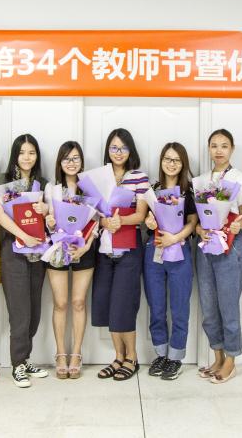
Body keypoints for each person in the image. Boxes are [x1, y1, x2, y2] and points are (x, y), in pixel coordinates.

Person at [195, 128, 242, 384]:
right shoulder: (201, 180)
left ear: (232, 149)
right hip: (206, 246)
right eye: (214, 145)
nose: (219, 150)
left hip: (230, 245)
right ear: (209, 149)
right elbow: (198, 218)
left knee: (228, 306)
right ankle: (217, 356)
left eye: (224, 146)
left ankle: (231, 360)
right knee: (208, 306)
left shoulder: (240, 178)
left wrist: (239, 225)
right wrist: (199, 230)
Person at [93, 128, 150, 382]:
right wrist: (104, 222)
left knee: (124, 303)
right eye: (114, 148)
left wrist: (119, 221)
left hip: (129, 246)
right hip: (104, 247)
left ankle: (132, 358)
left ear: (130, 151)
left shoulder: (138, 177)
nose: (118, 152)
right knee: (107, 302)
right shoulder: (100, 177)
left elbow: (141, 215)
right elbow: (92, 212)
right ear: (108, 150)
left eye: (123, 148)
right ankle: (118, 357)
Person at [0, 134, 49, 388]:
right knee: (19, 311)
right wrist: (22, 235)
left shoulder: (43, 183)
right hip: (13, 250)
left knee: (34, 310)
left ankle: (25, 359)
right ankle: (17, 364)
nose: (27, 157)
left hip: (38, 251)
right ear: (15, 155)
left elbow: (52, 215)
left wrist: (46, 210)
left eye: (32, 152)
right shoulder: (4, 181)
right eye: (22, 152)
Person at [143, 142, 197, 381]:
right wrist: (149, 222)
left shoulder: (189, 191)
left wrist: (175, 238)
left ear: (183, 163)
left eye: (176, 159)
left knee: (179, 307)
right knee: (156, 307)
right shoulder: (152, 189)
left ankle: (175, 357)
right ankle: (161, 353)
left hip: (180, 251)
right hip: (154, 251)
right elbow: (147, 217)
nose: (171, 163)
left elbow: (193, 222)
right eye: (167, 158)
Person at [44, 141, 97, 379]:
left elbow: (96, 221)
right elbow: (48, 219)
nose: (71, 163)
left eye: (75, 158)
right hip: (57, 249)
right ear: (60, 162)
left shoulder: (89, 189)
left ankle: (76, 353)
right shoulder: (52, 189)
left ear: (82, 162)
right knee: (60, 303)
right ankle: (60, 353)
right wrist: (50, 222)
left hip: (83, 250)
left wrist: (85, 247)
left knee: (78, 302)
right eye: (66, 158)